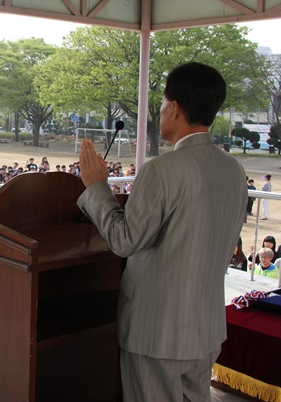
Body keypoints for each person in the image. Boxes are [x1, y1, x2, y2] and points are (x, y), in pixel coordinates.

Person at [76, 62, 247, 401]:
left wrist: (97, 187)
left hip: (157, 331)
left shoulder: (162, 170)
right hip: (206, 328)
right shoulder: (233, 169)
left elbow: (125, 241)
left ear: (176, 108)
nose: (163, 108)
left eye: (165, 101)